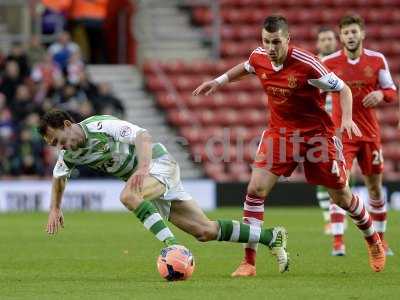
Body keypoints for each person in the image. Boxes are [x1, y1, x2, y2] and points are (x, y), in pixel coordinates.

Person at [193, 15, 385, 276]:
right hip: (280, 134)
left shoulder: (307, 64)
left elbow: (343, 89)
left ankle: (373, 239)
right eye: (266, 41)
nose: (271, 48)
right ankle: (249, 262)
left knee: (341, 196)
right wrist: (219, 81)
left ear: (287, 40)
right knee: (255, 189)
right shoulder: (260, 56)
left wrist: (348, 119)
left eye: (276, 42)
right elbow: (247, 66)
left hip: (317, 136)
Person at [38, 109, 289, 274]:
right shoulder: (69, 153)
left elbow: (143, 136)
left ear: (68, 124)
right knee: (204, 231)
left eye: (58, 140)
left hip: (157, 163)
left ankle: (173, 248)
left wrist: (143, 167)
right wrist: (55, 207)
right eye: (54, 146)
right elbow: (59, 177)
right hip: (145, 178)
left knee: (128, 196)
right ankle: (271, 237)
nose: (59, 147)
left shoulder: (100, 126)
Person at [322, 15, 397, 257]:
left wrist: (381, 95)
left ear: (362, 34)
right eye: (346, 33)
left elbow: (391, 90)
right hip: (342, 134)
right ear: (341, 37)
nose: (350, 36)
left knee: (374, 188)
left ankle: (381, 242)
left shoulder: (376, 60)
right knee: (339, 184)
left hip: (370, 134)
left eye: (354, 32)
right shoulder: (329, 61)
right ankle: (337, 242)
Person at [315, 26, 339, 236]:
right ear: (318, 44)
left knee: (346, 171)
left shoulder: (342, 65)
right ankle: (328, 218)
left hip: (342, 126)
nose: (327, 42)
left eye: (330, 39)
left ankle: (339, 212)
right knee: (322, 171)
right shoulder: (314, 65)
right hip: (322, 127)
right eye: (323, 39)